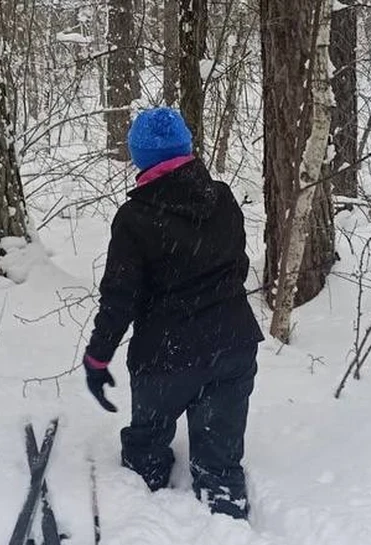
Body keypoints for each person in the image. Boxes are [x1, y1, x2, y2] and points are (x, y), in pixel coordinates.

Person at [82, 106, 263, 519]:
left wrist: (98, 357)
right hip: (233, 348)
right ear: (187, 149)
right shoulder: (223, 197)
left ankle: (149, 535)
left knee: (145, 454)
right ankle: (228, 532)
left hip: (166, 357)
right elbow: (237, 265)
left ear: (140, 159)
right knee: (219, 466)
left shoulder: (135, 218)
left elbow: (119, 297)